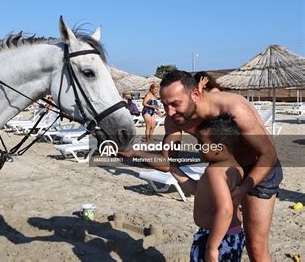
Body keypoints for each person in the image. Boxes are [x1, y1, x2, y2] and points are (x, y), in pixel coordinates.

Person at [120, 70, 282, 261]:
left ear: (195, 94)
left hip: (258, 168)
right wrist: (135, 153)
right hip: (222, 171)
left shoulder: (232, 107)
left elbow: (268, 154)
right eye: (165, 105)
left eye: (175, 104)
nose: (170, 112)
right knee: (221, 232)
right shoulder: (173, 120)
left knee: (255, 246)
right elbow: (170, 163)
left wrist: (244, 187)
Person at [170, 114, 245, 262]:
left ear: (219, 148)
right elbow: (199, 190)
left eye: (201, 143)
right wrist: (175, 170)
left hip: (216, 237)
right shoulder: (235, 167)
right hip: (232, 235)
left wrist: (211, 247)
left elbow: (225, 210)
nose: (197, 147)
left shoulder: (214, 172)